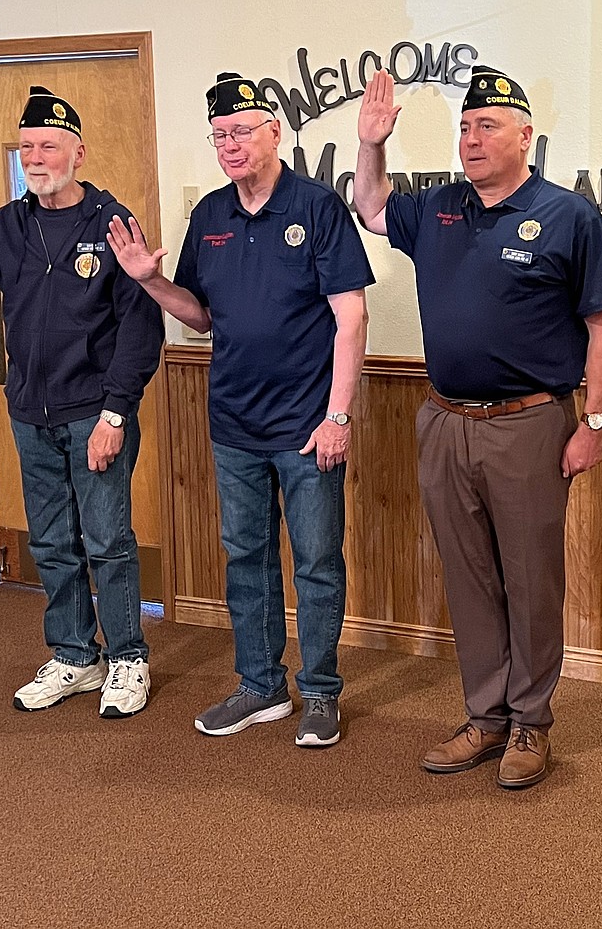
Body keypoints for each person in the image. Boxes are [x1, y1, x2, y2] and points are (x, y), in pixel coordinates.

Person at [354, 66, 602, 788]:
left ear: (526, 137)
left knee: (532, 581)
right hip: (444, 421)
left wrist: (593, 420)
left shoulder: (570, 217)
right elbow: (372, 206)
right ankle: (486, 716)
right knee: (469, 577)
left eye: (488, 127)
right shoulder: (440, 207)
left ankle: (532, 724)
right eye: (466, 127)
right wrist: (372, 144)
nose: (472, 140)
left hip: (529, 425)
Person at [108, 72, 372, 747]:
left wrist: (338, 415)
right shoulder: (211, 218)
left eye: (241, 132)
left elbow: (351, 315)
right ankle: (260, 686)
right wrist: (150, 281)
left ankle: (319, 692)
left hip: (308, 428)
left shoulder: (316, 208)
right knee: (246, 559)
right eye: (219, 135)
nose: (229, 144)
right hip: (234, 427)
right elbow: (200, 318)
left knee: (316, 561)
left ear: (274, 133)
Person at [0, 86, 164, 718]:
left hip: (94, 413)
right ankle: (75, 656)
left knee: (107, 540)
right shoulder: (7, 229)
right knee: (49, 542)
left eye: (48, 145)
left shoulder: (111, 224)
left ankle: (126, 659)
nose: (35, 157)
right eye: (27, 147)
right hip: (31, 417)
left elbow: (140, 327)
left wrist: (115, 413)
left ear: (79, 151)